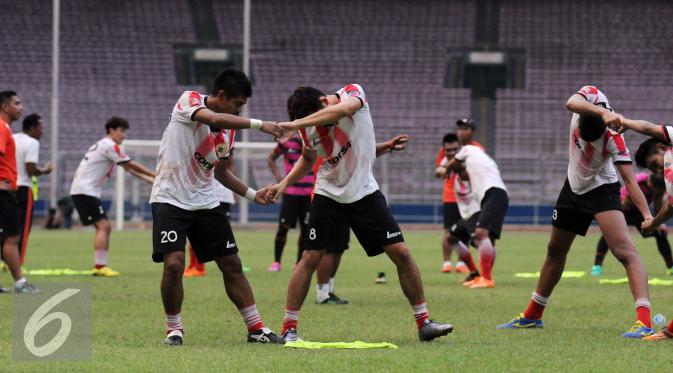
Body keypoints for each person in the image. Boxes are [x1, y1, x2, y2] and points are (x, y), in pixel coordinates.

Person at [267, 84, 453, 342]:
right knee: (310, 257)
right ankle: (289, 328)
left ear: (324, 101)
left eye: (315, 119)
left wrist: (294, 125)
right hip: (328, 193)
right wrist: (284, 183)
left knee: (401, 253)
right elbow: (309, 159)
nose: (316, 127)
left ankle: (424, 322)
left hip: (364, 192)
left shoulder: (352, 93)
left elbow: (342, 110)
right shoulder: (307, 128)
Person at [497, 86, 654, 339]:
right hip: (572, 188)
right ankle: (532, 316)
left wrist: (647, 215)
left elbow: (630, 181)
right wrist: (599, 113)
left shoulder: (615, 137)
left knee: (625, 252)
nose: (586, 141)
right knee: (555, 251)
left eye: (593, 139)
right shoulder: (588, 98)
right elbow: (570, 101)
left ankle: (644, 321)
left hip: (602, 190)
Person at [150, 69, 285, 346]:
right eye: (237, 104)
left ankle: (255, 327)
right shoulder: (189, 100)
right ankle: (174, 329)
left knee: (231, 263)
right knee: (174, 264)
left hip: (206, 201)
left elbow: (220, 172)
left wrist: (252, 194)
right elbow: (211, 118)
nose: (238, 111)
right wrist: (262, 125)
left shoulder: (228, 133)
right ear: (221, 95)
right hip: (170, 197)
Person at [313, 134, 409, 305]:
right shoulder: (327, 136)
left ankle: (329, 290)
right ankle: (322, 293)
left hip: (347, 195)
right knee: (329, 248)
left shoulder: (342, 135)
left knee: (339, 246)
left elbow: (364, 152)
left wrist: (387, 145)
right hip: (330, 197)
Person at [607, 115, 673, 340]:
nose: (658, 170)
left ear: (663, 147)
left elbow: (648, 128)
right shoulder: (668, 175)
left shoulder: (671, 147)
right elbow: (670, 205)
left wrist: (625, 122)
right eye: (653, 169)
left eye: (655, 163)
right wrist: (654, 221)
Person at [70, 117, 156, 277]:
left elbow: (128, 169)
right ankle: (100, 266)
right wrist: (154, 173)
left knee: (103, 227)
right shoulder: (109, 145)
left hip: (84, 191)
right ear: (112, 130)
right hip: (85, 191)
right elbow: (130, 163)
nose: (124, 136)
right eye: (122, 131)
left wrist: (152, 181)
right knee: (104, 227)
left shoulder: (104, 146)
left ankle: (100, 266)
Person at [445, 143, 508, 289]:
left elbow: (452, 162)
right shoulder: (464, 177)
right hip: (472, 212)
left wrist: (448, 167)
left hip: (490, 198)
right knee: (451, 237)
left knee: (482, 236)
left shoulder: (469, 150)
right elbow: (439, 170)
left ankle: (486, 278)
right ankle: (477, 274)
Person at [591, 172, 672, 276]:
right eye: (656, 192)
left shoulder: (659, 188)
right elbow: (628, 198)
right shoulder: (640, 181)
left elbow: (657, 203)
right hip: (624, 207)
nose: (656, 194)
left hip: (640, 213)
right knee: (609, 233)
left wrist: (658, 223)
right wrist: (617, 216)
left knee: (660, 233)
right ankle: (597, 267)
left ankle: (670, 266)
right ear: (651, 185)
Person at [183, 132, 237, 278]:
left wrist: (234, 190)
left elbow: (227, 165)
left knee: (219, 234)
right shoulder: (205, 138)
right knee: (196, 231)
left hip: (220, 195)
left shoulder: (223, 141)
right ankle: (195, 265)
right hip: (208, 193)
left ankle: (200, 266)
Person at [433, 120, 484, 273]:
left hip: (470, 198)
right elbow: (440, 169)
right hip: (450, 195)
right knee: (449, 231)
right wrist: (443, 171)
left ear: (472, 131)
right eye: (460, 128)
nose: (461, 131)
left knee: (469, 231)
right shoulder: (449, 147)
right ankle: (447, 262)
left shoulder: (477, 149)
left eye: (465, 128)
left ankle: (463, 263)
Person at [0, 91, 38, 293]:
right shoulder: (2, 127)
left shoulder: (5, 128)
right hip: (3, 192)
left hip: (7, 189)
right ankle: (20, 284)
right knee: (12, 237)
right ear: (6, 107)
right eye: (17, 103)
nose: (21, 107)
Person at [266, 134, 315, 272]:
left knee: (306, 230)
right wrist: (279, 177)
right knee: (283, 228)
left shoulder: (314, 142)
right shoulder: (287, 143)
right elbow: (271, 158)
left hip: (308, 194)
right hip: (290, 193)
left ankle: (299, 262)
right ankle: (276, 262)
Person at [13, 113, 53, 266]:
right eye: (40, 128)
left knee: (7, 227)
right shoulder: (32, 143)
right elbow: (30, 169)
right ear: (32, 128)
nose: (42, 131)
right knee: (23, 229)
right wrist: (44, 171)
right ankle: (17, 265)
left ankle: (5, 259)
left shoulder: (12, 137)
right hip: (23, 188)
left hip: (7, 187)